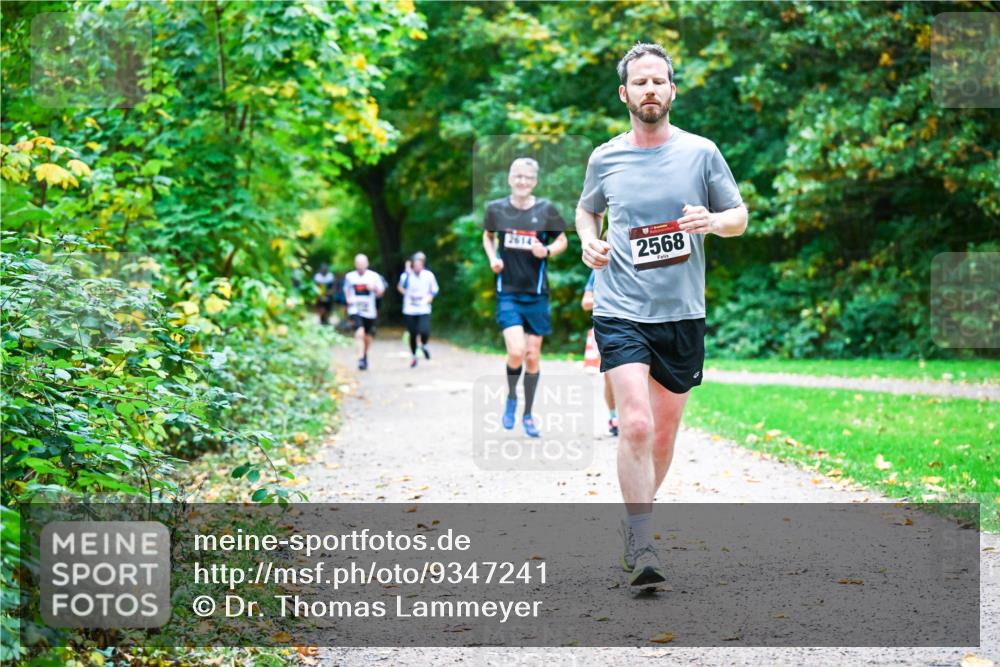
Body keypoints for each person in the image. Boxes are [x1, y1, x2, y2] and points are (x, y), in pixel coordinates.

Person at [576, 43, 748, 588]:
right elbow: (588, 209)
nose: (650, 90)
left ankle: (638, 521)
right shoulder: (605, 157)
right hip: (620, 305)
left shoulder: (701, 153)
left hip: (681, 311)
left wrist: (712, 222)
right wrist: (589, 243)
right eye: (640, 82)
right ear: (624, 93)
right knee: (637, 423)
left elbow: (739, 216)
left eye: (659, 81)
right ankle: (643, 539)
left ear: (672, 90)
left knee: (665, 434)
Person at [482, 157, 569, 438]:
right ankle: (510, 398)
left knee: (533, 357)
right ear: (510, 178)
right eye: (517, 176)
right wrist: (493, 258)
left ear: (534, 181)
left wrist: (547, 251)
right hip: (507, 292)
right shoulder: (496, 209)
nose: (522, 181)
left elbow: (562, 241)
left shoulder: (546, 210)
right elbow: (488, 236)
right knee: (516, 351)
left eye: (527, 178)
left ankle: (528, 414)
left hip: (537, 293)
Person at [581, 270, 618, 437]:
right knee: (610, 376)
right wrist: (611, 297)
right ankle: (613, 417)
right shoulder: (601, 267)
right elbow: (586, 303)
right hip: (610, 327)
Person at [343, 254, 387, 370]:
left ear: (367, 264)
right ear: (355, 264)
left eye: (363, 263)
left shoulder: (374, 276)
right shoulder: (350, 277)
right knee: (359, 332)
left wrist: (374, 288)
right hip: (355, 309)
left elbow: (381, 292)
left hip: (369, 310)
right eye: (358, 263)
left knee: (368, 336)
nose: (360, 266)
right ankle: (360, 358)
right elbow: (346, 290)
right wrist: (348, 299)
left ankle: (365, 355)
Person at [398, 251, 439, 368]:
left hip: (423, 308)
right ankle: (414, 356)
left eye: (420, 265)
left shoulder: (428, 275)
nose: (418, 267)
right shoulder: (406, 276)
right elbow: (402, 286)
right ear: (412, 265)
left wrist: (430, 297)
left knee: (424, 330)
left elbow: (434, 289)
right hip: (410, 309)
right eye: (415, 265)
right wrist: (407, 271)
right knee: (413, 333)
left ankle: (424, 345)